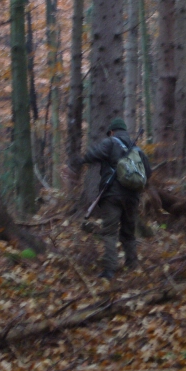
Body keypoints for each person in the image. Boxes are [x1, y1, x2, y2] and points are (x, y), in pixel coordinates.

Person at [76, 118, 152, 280]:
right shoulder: (137, 150)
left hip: (112, 195)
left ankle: (110, 270)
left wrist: (80, 160)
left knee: (110, 232)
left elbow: (93, 155)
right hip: (132, 197)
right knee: (128, 233)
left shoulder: (110, 142)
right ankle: (132, 266)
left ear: (112, 131)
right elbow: (148, 172)